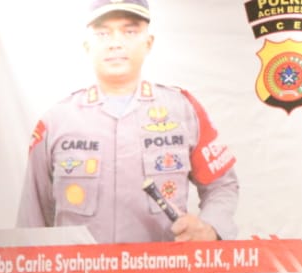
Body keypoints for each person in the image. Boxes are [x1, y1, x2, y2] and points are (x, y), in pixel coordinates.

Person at [16, 0, 240, 244]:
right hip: (78, 268)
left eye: (130, 31)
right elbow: (32, 218)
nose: (116, 43)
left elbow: (222, 185)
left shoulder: (183, 110)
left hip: (161, 268)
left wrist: (210, 228)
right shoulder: (55, 122)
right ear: (87, 46)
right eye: (103, 33)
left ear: (148, 43)